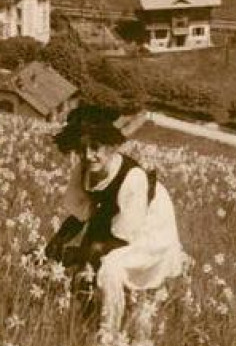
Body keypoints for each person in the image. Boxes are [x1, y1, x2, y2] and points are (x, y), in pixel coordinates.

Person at [46, 103, 184, 332]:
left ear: (111, 146)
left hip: (149, 225)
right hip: (116, 219)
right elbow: (80, 215)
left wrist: (88, 254)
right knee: (75, 258)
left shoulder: (133, 179)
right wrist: (55, 247)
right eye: (81, 149)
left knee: (110, 266)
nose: (88, 156)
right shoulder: (82, 170)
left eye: (95, 147)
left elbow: (125, 234)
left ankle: (109, 331)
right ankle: (86, 312)